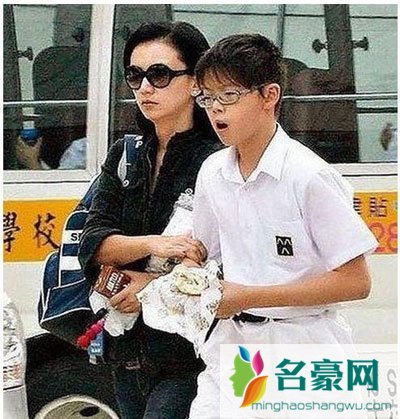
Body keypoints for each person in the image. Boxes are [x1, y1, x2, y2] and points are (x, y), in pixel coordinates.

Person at [188, 34, 378, 418]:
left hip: (304, 349)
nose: (215, 108)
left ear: (269, 95)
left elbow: (356, 281)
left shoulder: (308, 176)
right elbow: (203, 254)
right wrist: (184, 275)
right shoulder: (212, 172)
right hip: (234, 349)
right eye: (207, 97)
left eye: (229, 95)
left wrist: (248, 297)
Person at [78, 22, 222, 419]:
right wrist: (153, 245)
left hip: (190, 358)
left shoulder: (217, 162)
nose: (144, 88)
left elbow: (222, 262)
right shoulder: (125, 155)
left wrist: (151, 286)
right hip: (126, 354)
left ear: (195, 83)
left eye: (159, 75)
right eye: (134, 76)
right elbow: (94, 243)